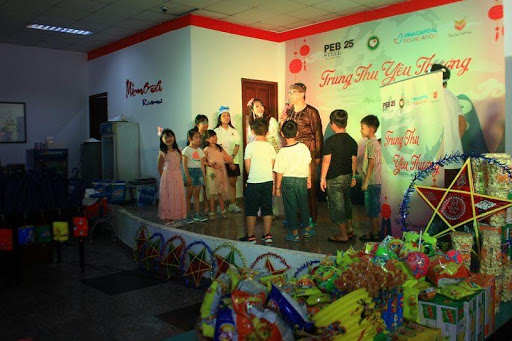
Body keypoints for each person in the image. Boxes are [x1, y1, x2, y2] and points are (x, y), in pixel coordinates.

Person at [282, 82, 323, 227]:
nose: (290, 96)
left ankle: (311, 217)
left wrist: (318, 155)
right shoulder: (290, 112)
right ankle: (296, 216)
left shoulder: (312, 111)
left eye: (292, 92)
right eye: (289, 93)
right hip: (293, 150)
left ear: (301, 94)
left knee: (308, 185)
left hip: (308, 150)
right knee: (294, 183)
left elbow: (318, 134)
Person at [320, 109, 357, 243]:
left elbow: (326, 160)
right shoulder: (352, 141)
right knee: (347, 202)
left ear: (332, 124)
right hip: (347, 177)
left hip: (334, 178)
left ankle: (343, 235)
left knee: (337, 206)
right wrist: (353, 177)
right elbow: (353, 161)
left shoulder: (330, 141)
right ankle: (350, 229)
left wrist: (322, 178)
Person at [274, 120, 315, 242]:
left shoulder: (282, 151)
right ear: (297, 133)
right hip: (301, 180)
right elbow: (308, 164)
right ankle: (307, 230)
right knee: (303, 205)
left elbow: (279, 171)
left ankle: (294, 233)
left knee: (290, 207)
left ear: (282, 133)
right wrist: (309, 179)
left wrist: (277, 187)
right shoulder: (303, 147)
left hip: (287, 181)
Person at [239, 118, 276, 244]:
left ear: (253, 131)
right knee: (267, 208)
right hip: (267, 181)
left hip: (254, 182)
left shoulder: (250, 146)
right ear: (267, 132)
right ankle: (267, 235)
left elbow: (247, 166)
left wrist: (253, 176)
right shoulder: (270, 147)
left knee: (251, 209)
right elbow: (272, 165)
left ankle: (250, 236)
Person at [430, 64, 467, 186]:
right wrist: (452, 141)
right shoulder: (452, 97)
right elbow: (463, 124)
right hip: (454, 159)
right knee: (451, 201)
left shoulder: (430, 98)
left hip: (436, 162)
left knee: (436, 201)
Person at [247, 98, 283, 218]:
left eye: (261, 105)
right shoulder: (251, 124)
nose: (260, 107)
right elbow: (250, 140)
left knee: (271, 179)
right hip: (258, 154)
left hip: (271, 151)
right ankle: (259, 211)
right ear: (252, 110)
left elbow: (277, 136)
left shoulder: (271, 120)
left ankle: (272, 209)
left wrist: (267, 140)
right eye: (256, 106)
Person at [214, 106, 242, 213]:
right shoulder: (216, 131)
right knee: (220, 184)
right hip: (221, 160)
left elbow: (237, 145)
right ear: (219, 118)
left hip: (234, 160)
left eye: (228, 115)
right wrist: (228, 160)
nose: (226, 117)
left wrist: (232, 158)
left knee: (232, 183)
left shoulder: (234, 131)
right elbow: (218, 147)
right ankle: (221, 205)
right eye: (224, 116)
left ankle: (232, 204)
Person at [359, 115, 382, 242]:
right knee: (373, 207)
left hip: (373, 181)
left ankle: (375, 233)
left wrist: (366, 182)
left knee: (372, 209)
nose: (361, 130)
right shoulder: (372, 143)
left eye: (362, 128)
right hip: (373, 181)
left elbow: (371, 163)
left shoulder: (373, 144)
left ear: (371, 129)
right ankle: (375, 230)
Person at [157, 127, 187, 226]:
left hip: (177, 177)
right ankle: (167, 218)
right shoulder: (162, 152)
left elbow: (179, 163)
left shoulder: (179, 150)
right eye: (166, 137)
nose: (169, 139)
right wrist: (164, 179)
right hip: (167, 178)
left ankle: (175, 217)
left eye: (170, 136)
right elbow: (159, 167)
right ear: (162, 140)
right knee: (168, 197)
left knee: (177, 196)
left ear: (174, 137)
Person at [182, 129, 208, 223]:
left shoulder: (200, 150)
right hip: (190, 172)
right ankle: (187, 215)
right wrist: (187, 176)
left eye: (199, 137)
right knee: (188, 196)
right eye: (196, 137)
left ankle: (197, 214)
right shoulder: (186, 150)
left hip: (198, 173)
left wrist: (204, 176)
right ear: (190, 139)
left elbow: (202, 164)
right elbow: (184, 164)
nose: (198, 139)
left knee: (196, 195)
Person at [204, 130, 230, 220]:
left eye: (215, 136)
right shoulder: (206, 149)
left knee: (220, 191)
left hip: (221, 171)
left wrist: (230, 161)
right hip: (212, 172)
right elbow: (203, 161)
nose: (214, 138)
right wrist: (211, 164)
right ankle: (212, 211)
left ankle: (223, 210)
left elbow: (226, 157)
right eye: (212, 136)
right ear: (207, 139)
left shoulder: (219, 148)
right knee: (212, 192)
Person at [192, 114, 210, 214]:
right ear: (197, 124)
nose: (206, 124)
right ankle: (197, 210)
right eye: (203, 122)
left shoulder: (208, 134)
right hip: (196, 165)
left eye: (207, 122)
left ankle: (207, 208)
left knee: (206, 186)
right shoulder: (193, 135)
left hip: (207, 163)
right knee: (197, 187)